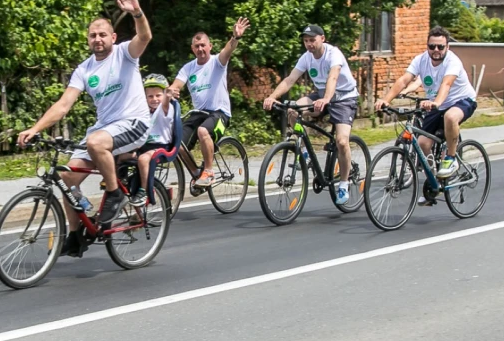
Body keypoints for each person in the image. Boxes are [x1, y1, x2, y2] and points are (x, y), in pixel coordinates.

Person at [18, 0, 152, 226]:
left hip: (135, 123)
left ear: (113, 37)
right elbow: (63, 105)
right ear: (88, 39)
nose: (97, 39)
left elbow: (144, 37)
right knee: (65, 178)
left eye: (102, 35)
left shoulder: (125, 54)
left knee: (95, 142)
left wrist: (136, 12)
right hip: (105, 129)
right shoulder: (84, 69)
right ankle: (77, 233)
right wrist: (35, 129)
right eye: (93, 35)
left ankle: (115, 194)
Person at [262, 25, 359, 205]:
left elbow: (333, 78)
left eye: (312, 40)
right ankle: (305, 153)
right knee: (292, 110)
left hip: (344, 98)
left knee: (342, 141)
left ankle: (344, 183)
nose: (309, 44)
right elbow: (290, 79)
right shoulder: (306, 57)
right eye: (306, 41)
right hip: (322, 95)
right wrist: (272, 97)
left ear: (322, 38)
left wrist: (327, 99)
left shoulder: (333, 54)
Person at [374, 26, 477, 179]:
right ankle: (433, 180)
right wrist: (386, 100)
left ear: (447, 47)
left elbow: (446, 84)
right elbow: (404, 80)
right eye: (432, 46)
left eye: (440, 46)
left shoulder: (452, 61)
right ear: (427, 46)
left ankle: (451, 158)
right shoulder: (420, 60)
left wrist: (436, 102)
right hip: (438, 104)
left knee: (450, 116)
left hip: (462, 100)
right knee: (422, 143)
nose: (436, 50)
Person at [168, 17, 249, 187]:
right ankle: (197, 173)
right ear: (192, 49)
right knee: (177, 143)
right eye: (197, 46)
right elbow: (176, 85)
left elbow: (228, 50)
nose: (200, 49)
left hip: (220, 113)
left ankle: (209, 172)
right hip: (199, 113)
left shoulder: (217, 62)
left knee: (203, 131)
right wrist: (171, 92)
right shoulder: (188, 68)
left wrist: (235, 37)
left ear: (210, 46)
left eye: (203, 45)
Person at [130, 74, 176, 206]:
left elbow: (165, 104)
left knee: (143, 159)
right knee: (118, 155)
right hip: (144, 145)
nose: (154, 99)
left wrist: (167, 96)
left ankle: (143, 191)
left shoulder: (165, 108)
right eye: (150, 96)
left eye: (158, 95)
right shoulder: (144, 111)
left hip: (161, 146)